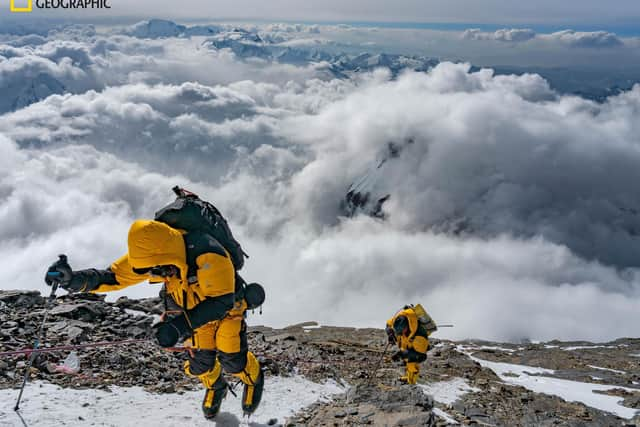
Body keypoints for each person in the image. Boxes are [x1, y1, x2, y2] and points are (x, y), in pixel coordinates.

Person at [44, 219, 264, 420]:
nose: (155, 274)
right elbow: (113, 276)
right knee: (199, 362)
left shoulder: (209, 254)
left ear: (166, 255)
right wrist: (73, 280)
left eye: (157, 268)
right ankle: (216, 387)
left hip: (227, 309)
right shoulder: (151, 256)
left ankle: (253, 379)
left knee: (231, 357)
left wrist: (178, 328)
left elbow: (220, 302)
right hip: (192, 312)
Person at [385, 305, 432, 385]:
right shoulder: (399, 318)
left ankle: (411, 382)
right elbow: (389, 323)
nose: (399, 334)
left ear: (406, 326)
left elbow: (421, 355)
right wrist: (390, 332)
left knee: (412, 361)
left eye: (401, 332)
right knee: (406, 357)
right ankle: (407, 376)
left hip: (418, 348)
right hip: (406, 342)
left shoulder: (420, 335)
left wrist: (402, 354)